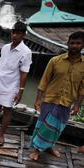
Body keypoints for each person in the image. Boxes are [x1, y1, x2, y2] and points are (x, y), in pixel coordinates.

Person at [29, 31, 84, 161]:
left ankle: (49, 147)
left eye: (78, 43)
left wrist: (77, 105)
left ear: (82, 45)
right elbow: (44, 81)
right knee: (43, 126)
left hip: (67, 102)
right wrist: (38, 99)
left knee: (56, 129)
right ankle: (37, 150)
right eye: (72, 43)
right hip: (50, 100)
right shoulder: (55, 61)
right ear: (67, 44)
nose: (75, 46)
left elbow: (82, 88)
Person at [0, 22, 32, 146]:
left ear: (23, 35)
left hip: (11, 86)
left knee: (7, 110)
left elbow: (24, 73)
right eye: (13, 32)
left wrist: (21, 91)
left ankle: (1, 135)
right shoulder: (5, 47)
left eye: (18, 33)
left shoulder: (26, 52)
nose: (14, 35)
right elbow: (0, 64)